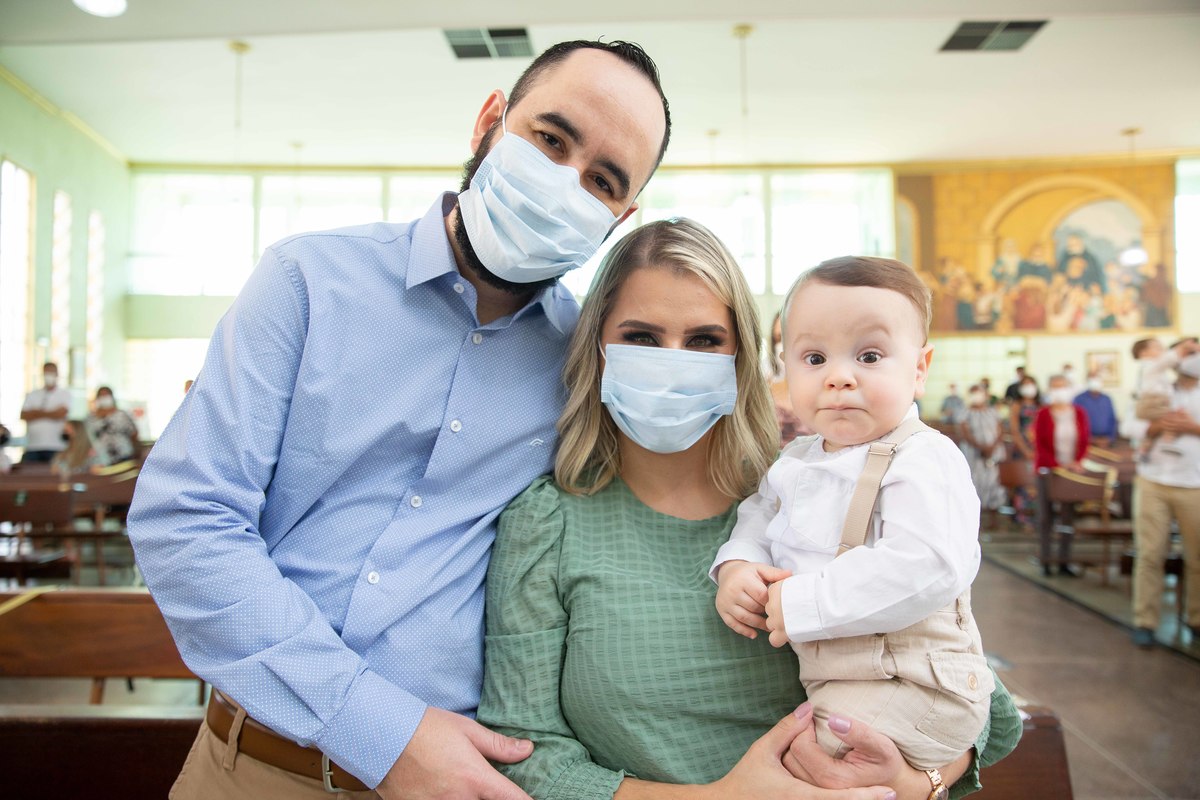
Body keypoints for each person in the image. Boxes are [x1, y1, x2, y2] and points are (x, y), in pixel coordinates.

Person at [127, 39, 671, 799]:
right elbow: (185, 520)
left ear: (621, 216)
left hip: (466, 778)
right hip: (254, 767)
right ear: (490, 120)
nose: (562, 184)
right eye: (550, 139)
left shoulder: (586, 365)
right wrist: (380, 730)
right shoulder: (307, 280)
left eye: (602, 181)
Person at [479, 224, 1021, 800]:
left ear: (744, 357)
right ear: (598, 349)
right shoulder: (547, 523)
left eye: (705, 340)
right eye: (640, 336)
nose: (673, 361)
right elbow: (525, 753)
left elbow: (984, 704)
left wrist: (915, 784)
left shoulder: (816, 490)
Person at [712, 256, 994, 775]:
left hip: (917, 681)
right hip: (840, 680)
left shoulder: (924, 456)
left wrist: (803, 601)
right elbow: (756, 518)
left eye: (868, 355)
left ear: (919, 369)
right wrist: (738, 568)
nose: (839, 377)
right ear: (784, 367)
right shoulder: (795, 459)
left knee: (809, 768)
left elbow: (927, 564)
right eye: (814, 358)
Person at [1130, 352, 1200, 648]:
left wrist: (1191, 428)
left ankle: (1196, 620)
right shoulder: (1156, 389)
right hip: (1153, 480)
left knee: (1197, 557)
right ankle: (1145, 621)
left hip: (1194, 483)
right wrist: (1155, 427)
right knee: (1150, 553)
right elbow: (1128, 426)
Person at [1033, 374, 1090, 578]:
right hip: (1048, 470)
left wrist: (1076, 462)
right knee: (1046, 517)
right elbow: (1040, 444)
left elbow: (1084, 441)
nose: (1060, 391)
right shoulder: (1043, 414)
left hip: (1072, 472)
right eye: (1055, 387)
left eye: (1063, 387)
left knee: (1068, 517)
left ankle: (1065, 561)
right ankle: (1046, 560)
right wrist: (1058, 465)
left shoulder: (1079, 413)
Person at [959, 385, 1007, 512]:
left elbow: (1000, 430)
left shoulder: (992, 411)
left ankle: (994, 515)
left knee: (994, 482)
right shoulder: (965, 412)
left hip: (994, 453)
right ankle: (978, 516)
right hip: (974, 454)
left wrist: (992, 447)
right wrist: (981, 447)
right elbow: (965, 433)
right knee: (976, 482)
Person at [1006, 376, 1042, 527]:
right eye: (1025, 385)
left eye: (1031, 384)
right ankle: (1023, 518)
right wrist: (1026, 450)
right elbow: (1014, 430)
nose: (1029, 388)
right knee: (1023, 483)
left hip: (1039, 450)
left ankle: (1039, 518)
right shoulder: (1017, 405)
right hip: (1022, 449)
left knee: (1038, 484)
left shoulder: (1041, 405)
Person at [19, 362, 71, 464]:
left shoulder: (65, 394)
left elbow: (61, 414)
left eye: (52, 372)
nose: (49, 375)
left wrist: (36, 412)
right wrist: (51, 412)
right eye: (46, 372)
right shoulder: (32, 394)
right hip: (33, 446)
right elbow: (24, 415)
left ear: (57, 374)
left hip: (56, 446)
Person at [84, 386, 141, 467]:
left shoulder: (122, 415)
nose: (104, 398)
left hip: (123, 455)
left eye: (106, 395)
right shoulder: (90, 418)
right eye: (101, 395)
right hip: (100, 459)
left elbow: (134, 433)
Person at [1072, 374, 1118, 445]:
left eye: (1097, 380)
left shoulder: (1106, 398)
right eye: (1092, 380)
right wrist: (1089, 439)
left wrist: (1110, 438)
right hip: (1087, 442)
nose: (1095, 382)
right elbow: (1075, 421)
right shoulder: (1079, 399)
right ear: (1087, 382)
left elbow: (1112, 419)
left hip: (1107, 441)